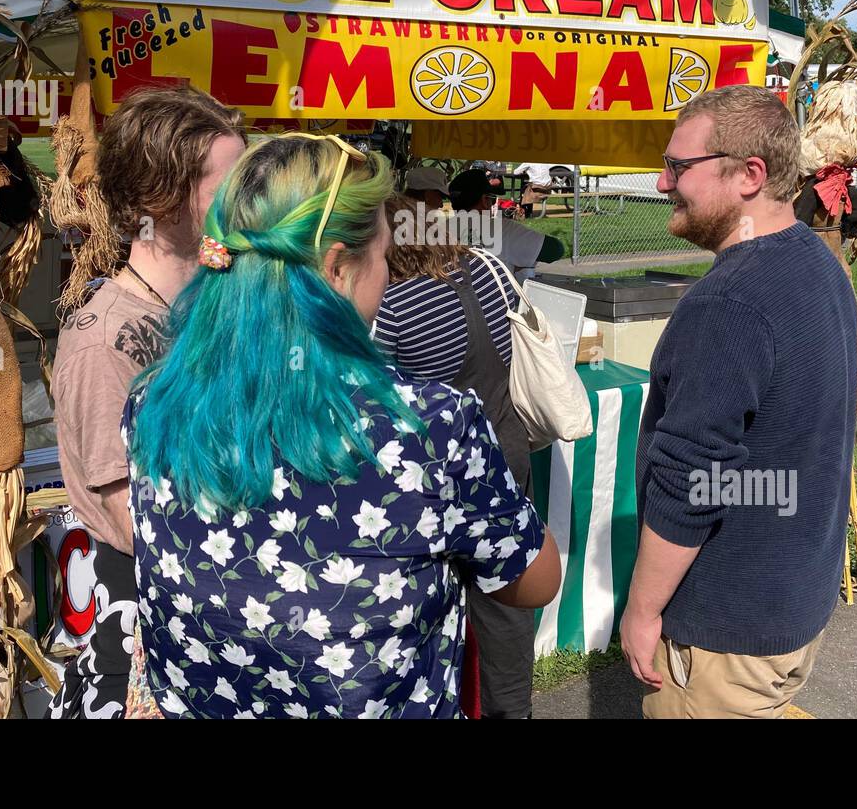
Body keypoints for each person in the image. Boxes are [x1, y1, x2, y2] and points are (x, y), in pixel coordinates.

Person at [126, 134, 561, 718]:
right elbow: (533, 581)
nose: (385, 273)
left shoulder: (154, 404)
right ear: (336, 267)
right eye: (381, 256)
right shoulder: (429, 429)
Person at [622, 85, 857, 719]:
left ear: (749, 175)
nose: (663, 181)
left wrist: (642, 610)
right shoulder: (814, 257)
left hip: (727, 632)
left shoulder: (730, 302)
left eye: (678, 166)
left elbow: (693, 478)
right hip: (792, 606)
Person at [48, 85, 246, 719]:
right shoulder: (103, 341)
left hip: (216, 627)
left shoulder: (216, 301)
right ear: (165, 201)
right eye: (231, 187)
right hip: (147, 649)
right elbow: (137, 525)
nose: (250, 205)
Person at [375, 195, 537, 718]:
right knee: (505, 597)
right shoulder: (487, 266)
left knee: (430, 597)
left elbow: (375, 395)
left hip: (436, 468)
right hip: (507, 448)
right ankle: (513, 709)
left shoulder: (392, 302)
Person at [449, 168, 563, 282]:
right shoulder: (503, 229)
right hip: (495, 297)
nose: (492, 204)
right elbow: (555, 250)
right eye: (492, 200)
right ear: (484, 200)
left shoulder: (438, 229)